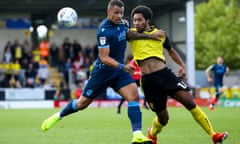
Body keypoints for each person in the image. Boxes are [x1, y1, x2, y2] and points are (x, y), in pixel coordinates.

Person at [41, 1, 161, 144]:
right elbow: (104, 58)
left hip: (118, 72)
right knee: (82, 104)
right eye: (116, 13)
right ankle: (59, 115)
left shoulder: (123, 24)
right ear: (108, 12)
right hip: (102, 72)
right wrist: (123, 66)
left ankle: (137, 134)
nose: (119, 16)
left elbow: (130, 34)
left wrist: (150, 36)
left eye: (121, 13)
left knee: (133, 96)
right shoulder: (103, 31)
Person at [129, 5, 228, 144]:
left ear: (147, 20)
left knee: (189, 102)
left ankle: (214, 135)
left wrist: (182, 65)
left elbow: (171, 51)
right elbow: (128, 34)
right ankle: (152, 133)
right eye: (134, 20)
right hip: (149, 81)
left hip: (165, 75)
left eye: (139, 20)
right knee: (163, 118)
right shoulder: (131, 34)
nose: (136, 23)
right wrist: (150, 36)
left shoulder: (161, 34)